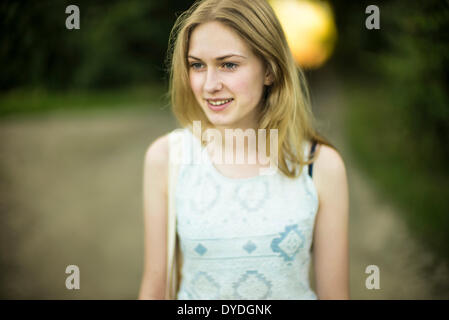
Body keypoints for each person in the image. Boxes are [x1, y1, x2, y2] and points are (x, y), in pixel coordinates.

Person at [138, 0, 349, 300]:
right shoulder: (167, 158)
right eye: (197, 65)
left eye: (229, 64)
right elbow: (156, 287)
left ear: (270, 71)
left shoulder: (319, 164)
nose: (210, 84)